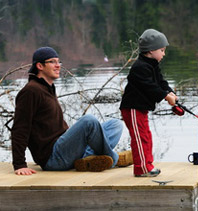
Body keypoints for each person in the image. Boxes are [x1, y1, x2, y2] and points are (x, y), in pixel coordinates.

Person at [11, 46, 125, 175]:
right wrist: (19, 164)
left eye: (58, 61)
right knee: (89, 121)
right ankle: (114, 158)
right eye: (52, 61)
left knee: (115, 124)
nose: (58, 65)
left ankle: (88, 158)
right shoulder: (31, 91)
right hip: (53, 158)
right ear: (40, 66)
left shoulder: (48, 88)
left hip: (63, 149)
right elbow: (20, 128)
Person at [120, 29, 178, 177]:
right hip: (132, 108)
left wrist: (171, 93)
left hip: (141, 109)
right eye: (162, 50)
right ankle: (141, 169)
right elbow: (150, 87)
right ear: (151, 51)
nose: (164, 54)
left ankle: (148, 165)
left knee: (146, 136)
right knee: (139, 137)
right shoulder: (139, 67)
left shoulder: (152, 65)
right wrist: (165, 96)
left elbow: (161, 82)